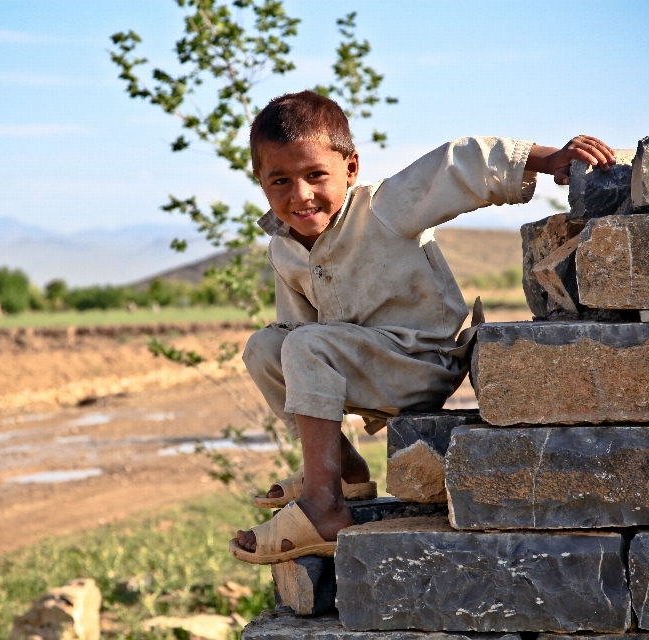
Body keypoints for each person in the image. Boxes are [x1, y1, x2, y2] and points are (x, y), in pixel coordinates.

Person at [230, 90, 615, 564]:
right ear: (261, 182)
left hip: (420, 362)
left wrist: (547, 157)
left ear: (350, 168)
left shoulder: (384, 208)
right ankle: (342, 471)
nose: (300, 194)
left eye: (315, 175)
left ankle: (323, 506)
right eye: (281, 181)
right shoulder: (283, 249)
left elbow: (461, 163)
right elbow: (296, 334)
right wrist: (296, 350)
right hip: (362, 364)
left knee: (304, 347)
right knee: (265, 346)